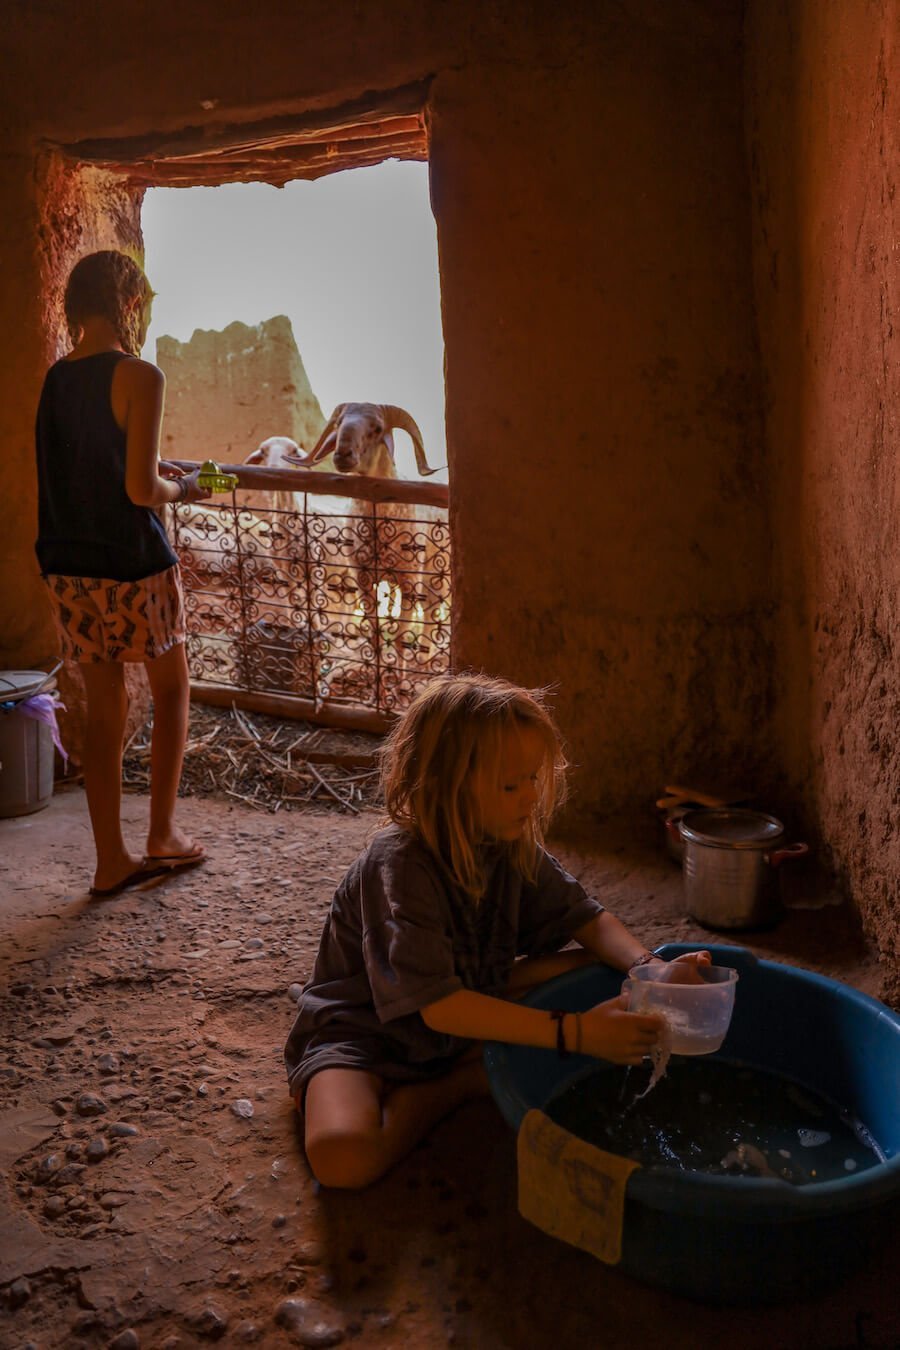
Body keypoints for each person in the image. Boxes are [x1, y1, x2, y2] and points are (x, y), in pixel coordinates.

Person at [285, 672, 710, 1189]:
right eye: (510, 785)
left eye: (533, 778)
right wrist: (575, 1034)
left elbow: (587, 916)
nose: (530, 797)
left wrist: (652, 969)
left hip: (467, 1000)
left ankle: (475, 1059)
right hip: (367, 1030)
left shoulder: (506, 842)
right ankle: (456, 1085)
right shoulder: (397, 864)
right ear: (443, 786)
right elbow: (439, 1006)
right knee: (342, 1157)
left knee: (609, 969)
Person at [34, 249, 210, 898]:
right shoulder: (141, 374)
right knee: (170, 689)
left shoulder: (56, 379)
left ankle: (111, 859)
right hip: (134, 564)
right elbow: (141, 489)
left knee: (104, 709)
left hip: (69, 566)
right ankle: (162, 833)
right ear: (129, 303)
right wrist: (186, 490)